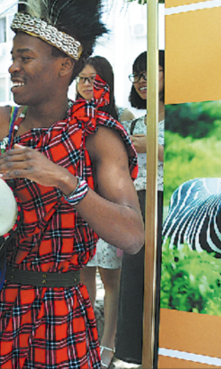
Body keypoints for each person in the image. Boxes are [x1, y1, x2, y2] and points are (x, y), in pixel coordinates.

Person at [0, 0, 144, 368]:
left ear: (64, 66)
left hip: (59, 312)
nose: (12, 67)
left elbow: (133, 236)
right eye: (12, 56)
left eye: (26, 57)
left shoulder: (98, 137)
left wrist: (65, 181)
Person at [75, 56, 131, 368]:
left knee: (112, 280)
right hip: (79, 207)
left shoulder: (121, 117)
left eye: (93, 79)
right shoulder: (69, 116)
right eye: (81, 79)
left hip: (109, 207)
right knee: (84, 278)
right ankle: (86, 339)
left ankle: (108, 344)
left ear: (105, 82)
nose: (86, 85)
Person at [114, 50, 165, 367]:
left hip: (167, 203)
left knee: (163, 280)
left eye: (149, 72)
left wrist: (154, 147)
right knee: (133, 280)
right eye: (137, 75)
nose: (142, 80)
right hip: (135, 205)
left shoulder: (180, 117)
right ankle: (137, 352)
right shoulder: (133, 123)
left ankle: (165, 350)